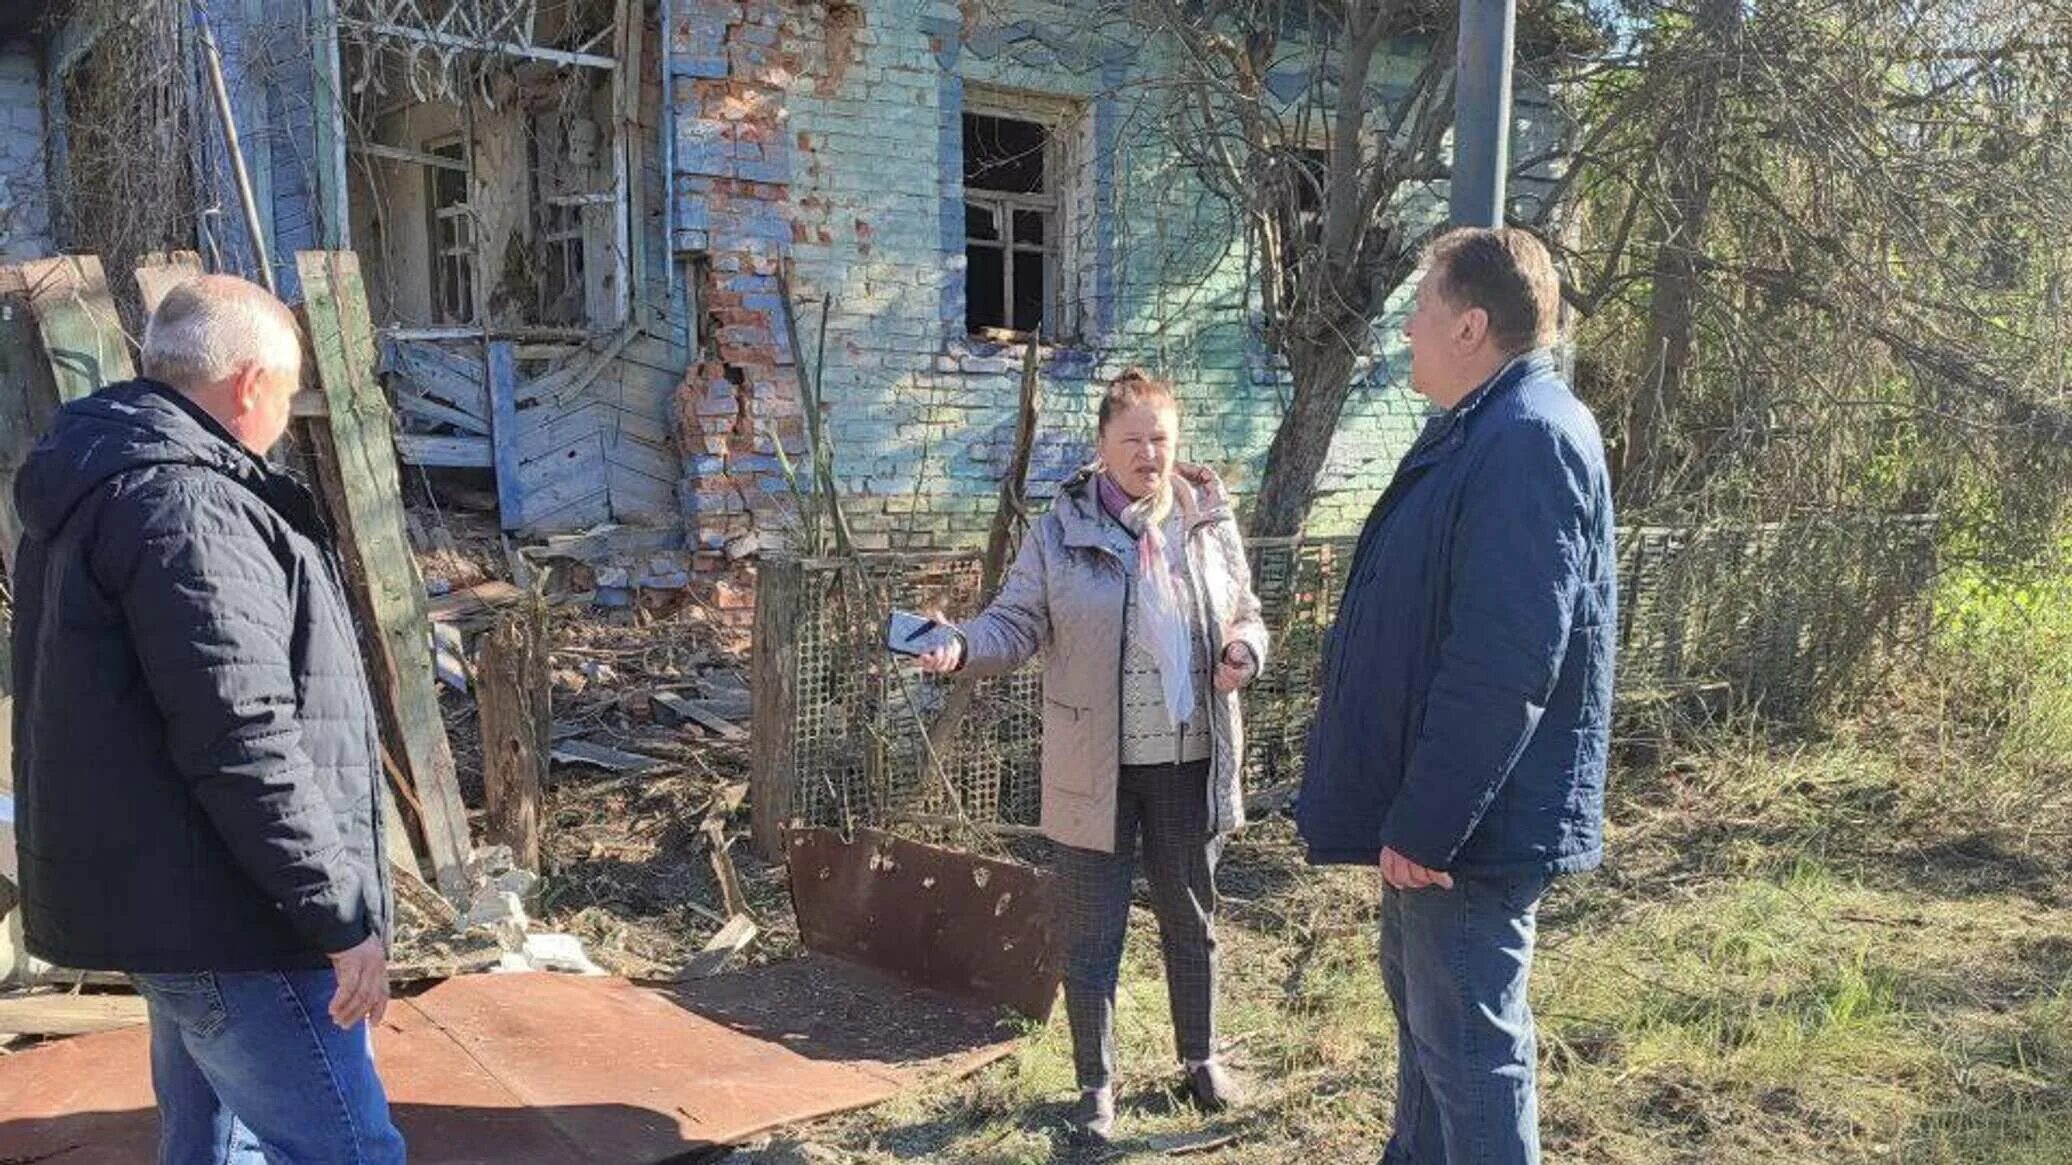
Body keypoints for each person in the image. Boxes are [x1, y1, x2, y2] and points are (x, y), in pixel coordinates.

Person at [12, 275, 406, 1164]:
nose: (287, 415)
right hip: (237, 917)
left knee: (210, 1146)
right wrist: (338, 918)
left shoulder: (103, 476)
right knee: (345, 1151)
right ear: (249, 384)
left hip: (180, 903)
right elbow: (245, 738)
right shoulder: (188, 506)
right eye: (290, 389)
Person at [1296, 227, 1617, 1165]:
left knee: (1473, 1054)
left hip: (1468, 834)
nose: (1405, 330)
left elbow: (1505, 661)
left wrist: (1429, 823)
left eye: (1421, 310)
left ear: (1471, 325)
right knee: (1435, 1033)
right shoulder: (1486, 428)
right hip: (1443, 823)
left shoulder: (1528, 439)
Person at [916, 369, 1269, 1142]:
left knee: (1192, 916)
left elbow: (1245, 607)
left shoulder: (1205, 517)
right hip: (1094, 766)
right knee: (1092, 929)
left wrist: (1244, 647)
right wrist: (958, 646)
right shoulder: (1061, 528)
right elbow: (1014, 623)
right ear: (1103, 445)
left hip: (1188, 755)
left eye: (1161, 439)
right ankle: (1096, 1085)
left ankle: (1201, 1058)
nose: (1149, 453)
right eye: (1133, 439)